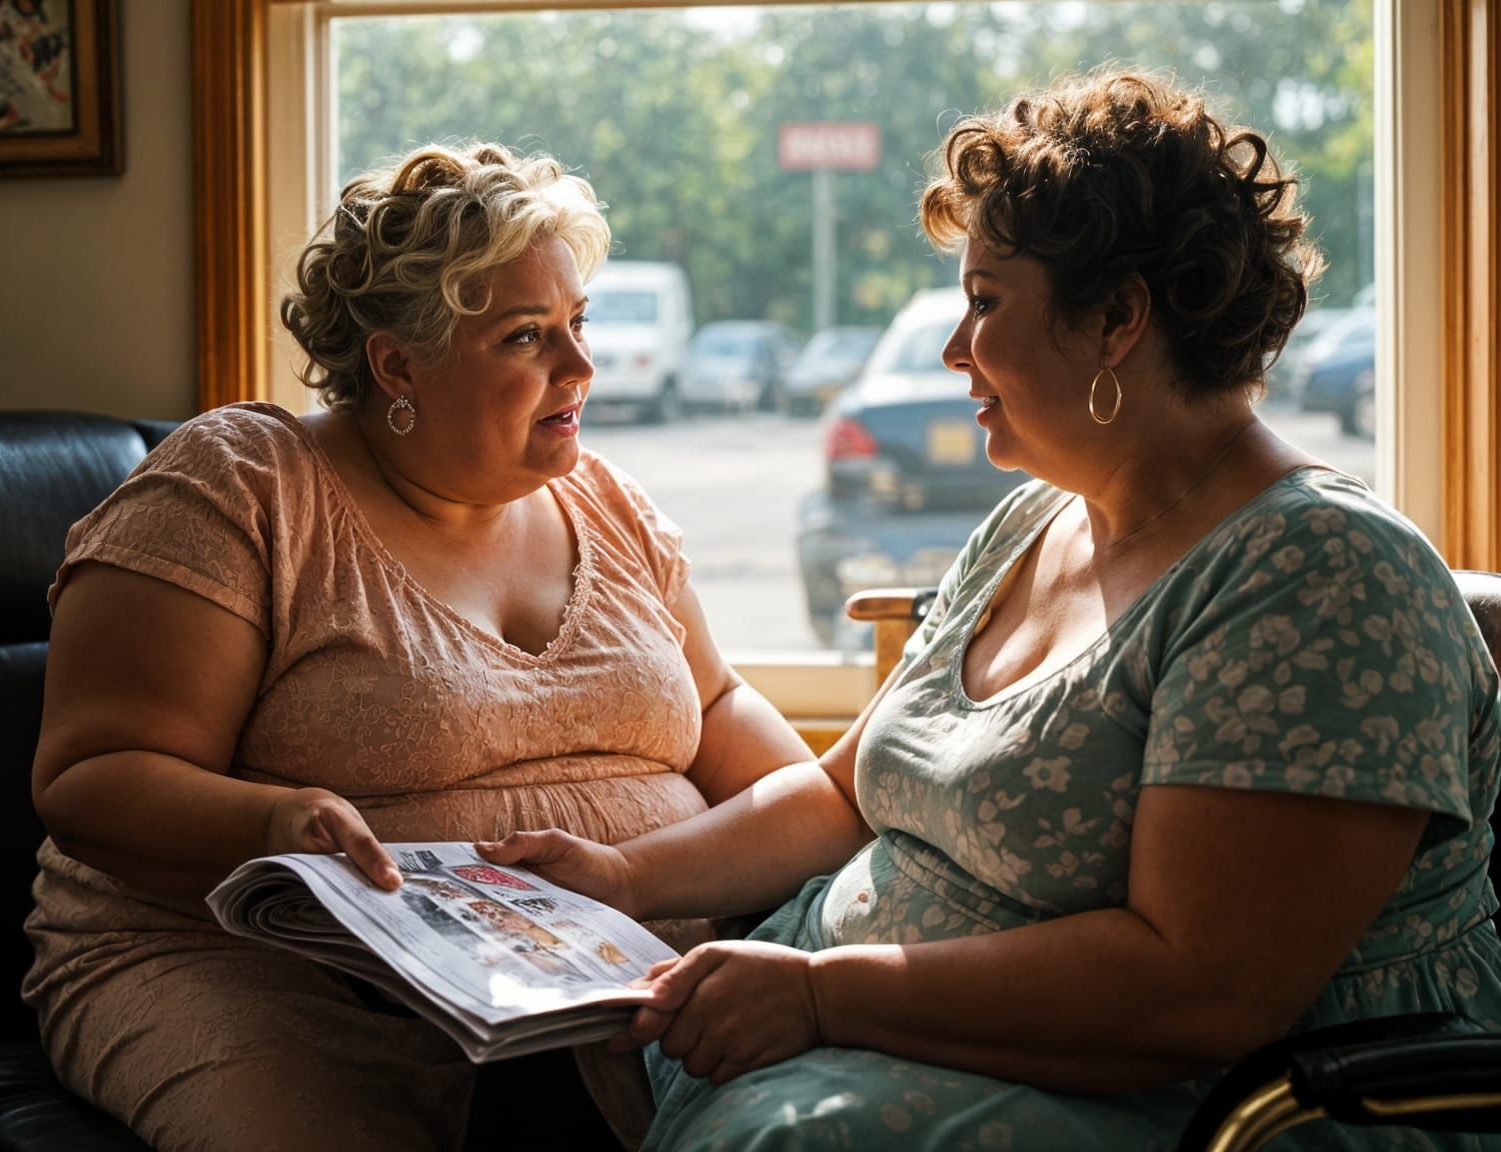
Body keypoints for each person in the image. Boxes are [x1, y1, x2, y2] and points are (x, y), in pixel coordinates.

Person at [478, 68, 1501, 1151]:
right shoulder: (1031, 526)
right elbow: (845, 795)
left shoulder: (1319, 574)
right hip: (895, 1025)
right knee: (511, 1072)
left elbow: (1197, 992)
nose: (952, 349)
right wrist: (620, 880)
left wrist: (823, 996)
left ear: (1118, 319)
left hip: (1227, 1099)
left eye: (985, 302)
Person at [24, 141, 812, 1152]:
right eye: (528, 337)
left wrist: (645, 877)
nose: (581, 367)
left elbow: (787, 787)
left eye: (578, 325)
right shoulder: (241, 487)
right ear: (399, 363)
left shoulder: (613, 506)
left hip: (599, 981)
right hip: (265, 978)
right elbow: (89, 777)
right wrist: (275, 819)